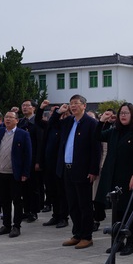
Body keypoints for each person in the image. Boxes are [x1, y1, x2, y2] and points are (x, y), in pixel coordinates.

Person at [50, 95, 102, 250]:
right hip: (67, 169)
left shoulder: (91, 123)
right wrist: (59, 112)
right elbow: (51, 125)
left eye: (76, 103)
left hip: (83, 170)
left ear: (84, 106)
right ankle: (77, 234)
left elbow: (96, 149)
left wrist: (93, 170)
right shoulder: (68, 122)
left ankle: (87, 236)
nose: (73, 106)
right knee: (72, 204)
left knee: (84, 205)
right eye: (71, 103)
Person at [94, 103, 133, 256]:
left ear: (132, 116)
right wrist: (101, 121)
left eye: (126, 113)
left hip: (129, 179)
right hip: (114, 178)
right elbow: (97, 136)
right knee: (116, 211)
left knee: (129, 211)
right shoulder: (113, 132)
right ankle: (117, 242)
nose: (123, 115)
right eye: (121, 113)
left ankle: (130, 243)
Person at [0, 111, 32, 238]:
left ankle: (16, 226)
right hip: (0, 172)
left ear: (17, 120)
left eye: (11, 117)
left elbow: (28, 155)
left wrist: (25, 173)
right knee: (4, 201)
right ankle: (6, 225)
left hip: (15, 174)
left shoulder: (23, 134)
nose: (8, 119)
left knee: (17, 201)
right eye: (6, 117)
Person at [17, 100, 45, 223]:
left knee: (34, 187)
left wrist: (38, 161)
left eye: (27, 105)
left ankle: (34, 211)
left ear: (34, 108)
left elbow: (40, 143)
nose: (25, 108)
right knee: (23, 187)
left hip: (33, 159)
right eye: (23, 105)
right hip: (22, 160)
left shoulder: (37, 122)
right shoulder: (21, 122)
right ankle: (26, 210)